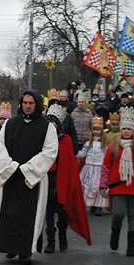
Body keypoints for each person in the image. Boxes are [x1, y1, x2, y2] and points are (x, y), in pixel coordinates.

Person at [0, 90, 58, 265]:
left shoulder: (47, 127)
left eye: (31, 103)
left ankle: (25, 251)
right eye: (25, 103)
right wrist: (11, 167)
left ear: (37, 105)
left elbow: (50, 152)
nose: (27, 106)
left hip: (32, 179)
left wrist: (28, 169)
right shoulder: (10, 124)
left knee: (29, 215)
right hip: (12, 176)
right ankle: (10, 247)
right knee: (10, 213)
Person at [99, 106, 134, 257]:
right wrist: (102, 185)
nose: (126, 131)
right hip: (118, 185)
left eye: (129, 129)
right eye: (124, 128)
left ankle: (132, 245)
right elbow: (106, 166)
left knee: (133, 214)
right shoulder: (113, 145)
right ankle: (115, 232)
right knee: (118, 213)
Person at [43, 104, 91, 253]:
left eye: (54, 123)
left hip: (61, 183)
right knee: (48, 214)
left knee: (62, 214)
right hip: (47, 182)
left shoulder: (66, 141)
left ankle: (62, 237)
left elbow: (68, 165)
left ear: (58, 125)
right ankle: (50, 242)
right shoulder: (42, 142)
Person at [75, 116, 109, 216]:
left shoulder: (105, 144)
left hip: (99, 167)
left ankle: (98, 206)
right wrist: (74, 152)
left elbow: (107, 156)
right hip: (89, 167)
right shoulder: (88, 143)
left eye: (98, 130)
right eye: (94, 129)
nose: (96, 132)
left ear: (101, 130)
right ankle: (89, 204)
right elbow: (83, 154)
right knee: (87, 186)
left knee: (98, 186)